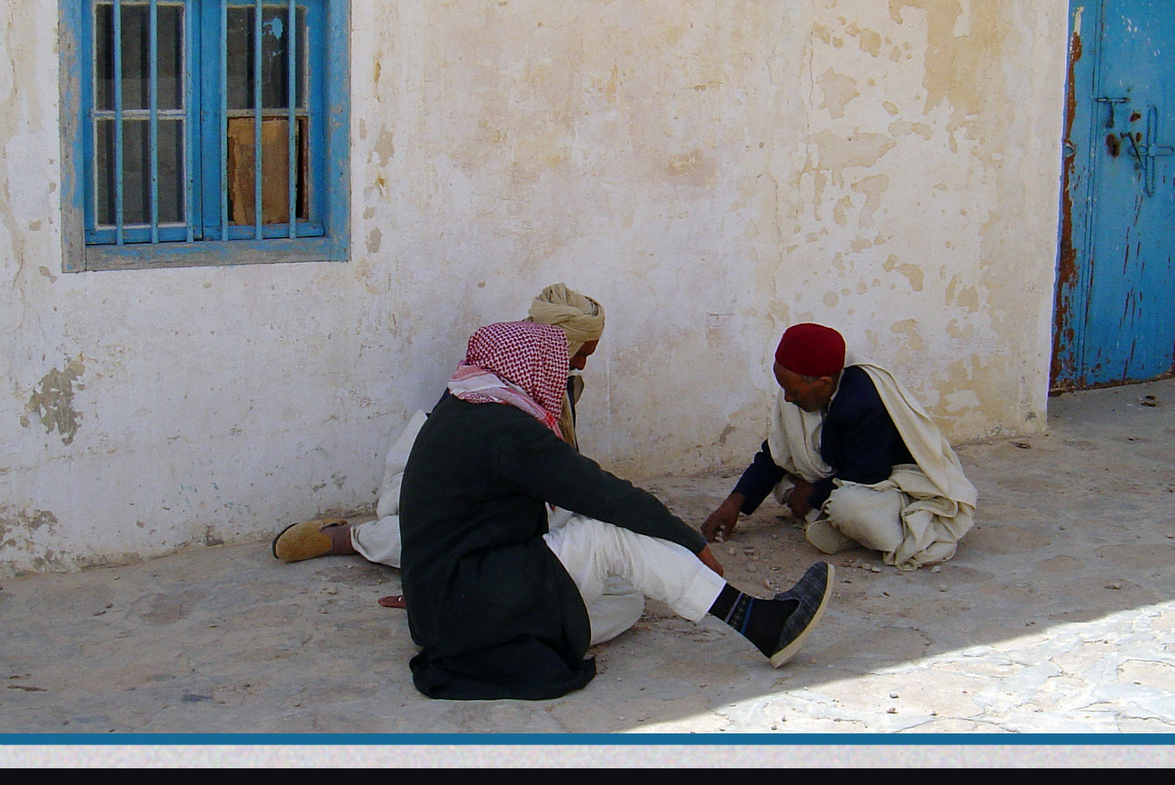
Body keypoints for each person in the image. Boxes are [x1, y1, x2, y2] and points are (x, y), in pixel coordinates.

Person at [398, 321, 833, 700]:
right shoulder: (502, 430)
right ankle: (756, 620)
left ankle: (524, 635)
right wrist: (687, 539)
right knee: (608, 534)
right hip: (466, 599)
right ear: (528, 368)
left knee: (626, 597)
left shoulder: (463, 405)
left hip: (447, 604)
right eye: (555, 367)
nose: (560, 378)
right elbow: (602, 494)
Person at [271, 284, 605, 571]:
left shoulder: (561, 383)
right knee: (443, 536)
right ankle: (342, 539)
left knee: (572, 532)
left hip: (505, 492)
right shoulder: (495, 372)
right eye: (579, 353)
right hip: (444, 482)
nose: (581, 364)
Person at [701, 322, 977, 570]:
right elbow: (776, 452)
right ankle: (834, 519)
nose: (786, 399)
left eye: (793, 391)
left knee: (849, 507)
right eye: (783, 388)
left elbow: (869, 474)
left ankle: (879, 530)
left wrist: (812, 494)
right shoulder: (805, 386)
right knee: (785, 478)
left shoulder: (861, 400)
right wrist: (734, 503)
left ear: (823, 383)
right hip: (847, 473)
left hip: (896, 482)